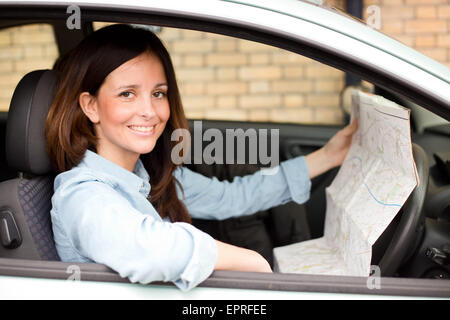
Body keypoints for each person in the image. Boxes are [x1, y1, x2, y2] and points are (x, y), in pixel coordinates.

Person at [45, 24, 358, 291]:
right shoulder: (82, 194)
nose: (150, 111)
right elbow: (155, 252)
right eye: (127, 93)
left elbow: (232, 196)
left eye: (158, 93)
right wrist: (252, 262)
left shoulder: (150, 175)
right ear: (91, 106)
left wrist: (330, 156)